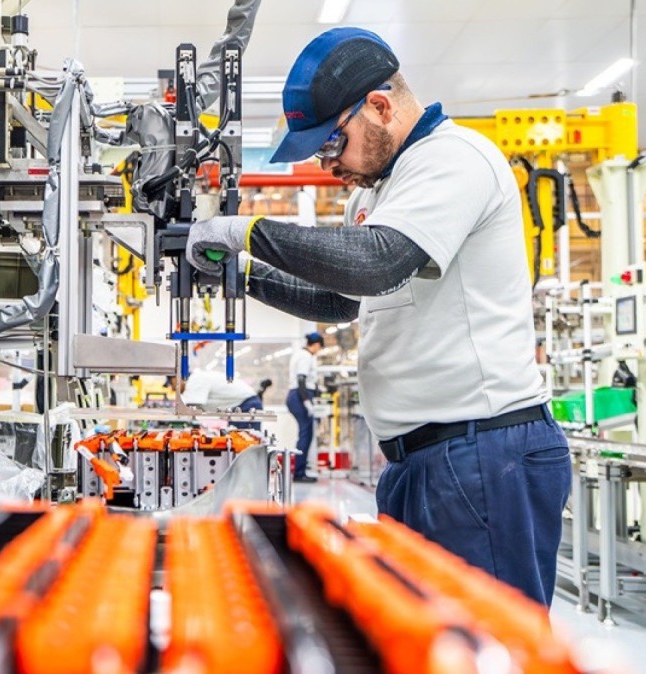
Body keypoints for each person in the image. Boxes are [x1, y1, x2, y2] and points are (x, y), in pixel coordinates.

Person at [183, 27, 571, 608]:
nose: (329, 166)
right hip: (420, 462)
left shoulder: (453, 159)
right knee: (417, 638)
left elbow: (376, 262)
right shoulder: (374, 194)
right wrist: (239, 274)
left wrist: (244, 231)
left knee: (484, 643)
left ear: (380, 107)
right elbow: (341, 300)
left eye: (331, 144)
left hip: (485, 454)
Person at [168, 371, 264, 429]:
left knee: (245, 443)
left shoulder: (195, 380)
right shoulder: (194, 381)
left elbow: (189, 409)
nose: (172, 388)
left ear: (176, 378)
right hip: (238, 407)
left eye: (171, 383)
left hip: (247, 405)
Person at [287, 332, 323, 483]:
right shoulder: (305, 356)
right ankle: (299, 472)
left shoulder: (300, 354)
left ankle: (300, 469)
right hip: (300, 396)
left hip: (298, 395)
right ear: (316, 345)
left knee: (306, 433)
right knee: (305, 433)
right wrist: (307, 401)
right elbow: (301, 379)